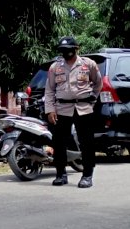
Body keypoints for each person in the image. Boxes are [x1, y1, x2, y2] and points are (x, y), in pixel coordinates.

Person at [44, 36, 102, 188]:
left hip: (83, 108)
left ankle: (87, 175)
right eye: (63, 50)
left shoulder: (88, 64)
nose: (66, 53)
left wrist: (93, 99)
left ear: (76, 49)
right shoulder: (55, 67)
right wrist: (50, 110)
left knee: (87, 143)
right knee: (59, 142)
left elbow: (98, 83)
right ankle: (61, 174)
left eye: (69, 50)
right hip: (62, 109)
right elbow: (49, 90)